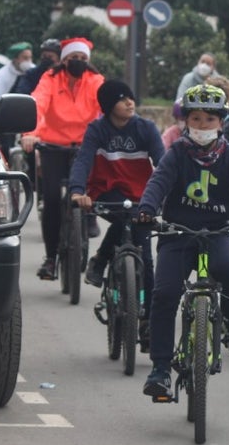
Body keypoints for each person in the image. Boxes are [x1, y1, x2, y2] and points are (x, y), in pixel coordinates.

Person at [137, 85, 229, 397]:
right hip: (178, 232)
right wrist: (147, 208)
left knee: (228, 268)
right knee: (164, 293)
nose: (202, 125)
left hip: (219, 230)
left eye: (209, 119)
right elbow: (159, 181)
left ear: (221, 123)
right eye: (196, 119)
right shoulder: (177, 153)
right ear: (185, 121)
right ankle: (160, 368)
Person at [69, 80, 164, 348]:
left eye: (131, 98)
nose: (129, 102)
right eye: (122, 99)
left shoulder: (146, 128)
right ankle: (101, 261)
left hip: (141, 197)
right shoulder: (97, 130)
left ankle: (147, 321)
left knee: (147, 259)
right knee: (124, 217)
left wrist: (171, 192)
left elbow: (164, 162)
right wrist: (77, 191)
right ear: (109, 105)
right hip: (107, 193)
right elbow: (83, 160)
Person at [22, 37, 105, 280]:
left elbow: (105, 109)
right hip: (53, 145)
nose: (78, 62)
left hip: (84, 145)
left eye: (83, 58)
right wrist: (30, 134)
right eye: (73, 58)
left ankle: (89, 216)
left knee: (91, 186)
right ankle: (51, 258)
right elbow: (38, 105)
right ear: (64, 60)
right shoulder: (50, 79)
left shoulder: (95, 80)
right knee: (50, 201)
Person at [0, 42, 33, 117]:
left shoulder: (33, 71)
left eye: (30, 58)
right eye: (25, 58)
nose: (28, 61)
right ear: (15, 59)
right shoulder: (3, 75)